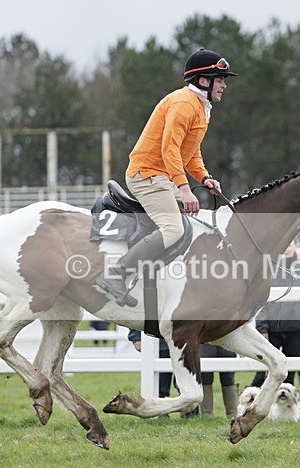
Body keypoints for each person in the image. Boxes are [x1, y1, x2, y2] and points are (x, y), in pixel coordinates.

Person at [95, 48, 234, 306]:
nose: (224, 85)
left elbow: (190, 152)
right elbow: (169, 149)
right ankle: (116, 274)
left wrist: (204, 178)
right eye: (221, 78)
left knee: (189, 227)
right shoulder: (184, 105)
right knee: (173, 228)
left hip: (162, 176)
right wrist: (184, 188)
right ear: (204, 80)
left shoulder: (200, 107)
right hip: (147, 175)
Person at [251, 241, 300, 387]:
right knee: (266, 370)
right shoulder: (269, 270)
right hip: (272, 330)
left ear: (296, 247)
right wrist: (262, 328)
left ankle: (288, 407)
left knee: (290, 373)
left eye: (290, 245)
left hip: (296, 329)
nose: (287, 249)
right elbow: (262, 302)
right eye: (284, 245)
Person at [128, 329, 173, 400]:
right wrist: (136, 336)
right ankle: (158, 409)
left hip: (187, 340)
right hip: (159, 344)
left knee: (188, 387)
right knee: (158, 390)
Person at [199, 344, 239, 418]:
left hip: (225, 342)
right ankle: (207, 415)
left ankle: (233, 415)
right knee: (205, 380)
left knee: (228, 380)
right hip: (207, 342)